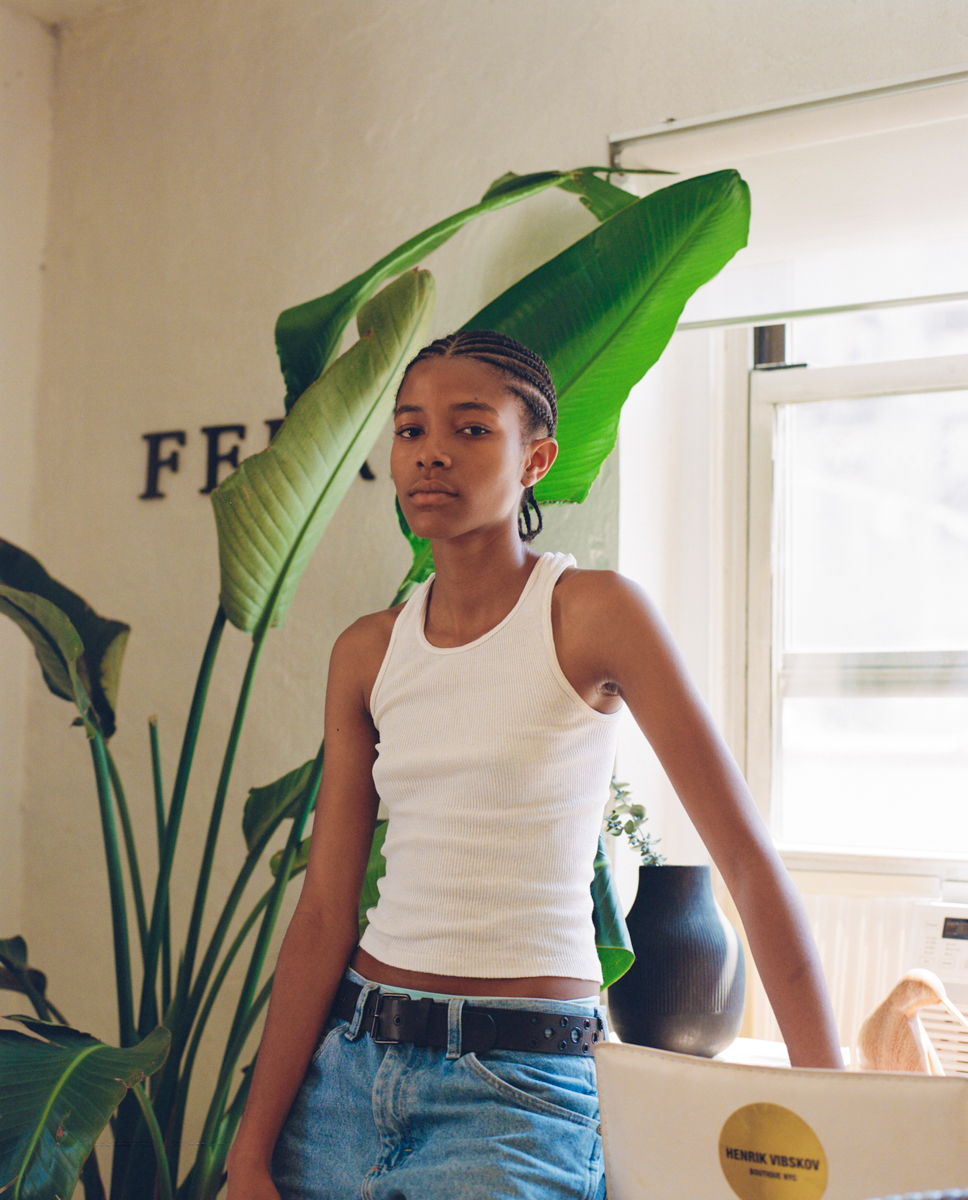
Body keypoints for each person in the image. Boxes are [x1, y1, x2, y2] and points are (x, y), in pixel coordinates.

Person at [226, 330, 841, 1200]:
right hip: (348, 1075)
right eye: (410, 431)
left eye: (471, 429)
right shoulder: (367, 652)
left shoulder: (592, 614)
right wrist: (250, 1153)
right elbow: (326, 911)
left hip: (518, 1094)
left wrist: (838, 1114)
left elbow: (744, 860)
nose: (432, 451)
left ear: (536, 459)